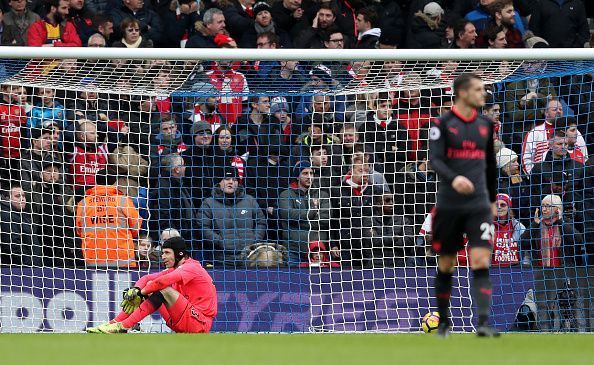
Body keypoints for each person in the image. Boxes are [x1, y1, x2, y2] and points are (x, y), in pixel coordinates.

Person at [428, 73, 499, 337]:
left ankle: (482, 323)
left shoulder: (485, 124)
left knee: (480, 259)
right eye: (479, 90)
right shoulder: (442, 124)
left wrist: (491, 199)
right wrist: (454, 178)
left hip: (479, 204)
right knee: (447, 263)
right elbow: (435, 160)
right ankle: (444, 322)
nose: (484, 94)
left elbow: (490, 165)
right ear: (463, 93)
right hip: (449, 205)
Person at [86, 237, 217, 333]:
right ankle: (113, 324)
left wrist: (140, 293)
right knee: (149, 287)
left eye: (167, 253)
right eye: (162, 253)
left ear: (180, 254)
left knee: (162, 289)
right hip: (181, 321)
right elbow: (147, 278)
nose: (163, 257)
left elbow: (161, 282)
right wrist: (136, 289)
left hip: (199, 323)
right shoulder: (176, 268)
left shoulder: (192, 267)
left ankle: (123, 326)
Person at [521, 194, 585, 331]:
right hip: (542, 271)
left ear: (557, 209)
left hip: (563, 272)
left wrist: (560, 221)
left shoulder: (565, 223)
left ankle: (560, 333)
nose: (544, 209)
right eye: (543, 206)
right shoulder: (537, 226)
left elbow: (577, 239)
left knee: (558, 306)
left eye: (548, 206)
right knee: (542, 305)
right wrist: (534, 223)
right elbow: (523, 242)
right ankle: (545, 334)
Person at [197, 166, 266, 266]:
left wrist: (254, 240)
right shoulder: (208, 203)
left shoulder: (249, 200)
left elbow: (261, 222)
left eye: (234, 179)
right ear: (219, 182)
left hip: (250, 257)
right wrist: (220, 242)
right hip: (222, 259)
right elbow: (202, 227)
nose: (231, 182)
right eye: (227, 179)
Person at [75, 175, 141, 267]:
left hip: (94, 261)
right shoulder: (123, 201)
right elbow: (136, 225)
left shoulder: (83, 203)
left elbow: (79, 230)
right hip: (123, 261)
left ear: (96, 182)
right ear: (115, 183)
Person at [277, 160, 331, 265]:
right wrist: (312, 213)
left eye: (311, 173)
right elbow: (287, 215)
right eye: (305, 173)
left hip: (317, 251)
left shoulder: (323, 195)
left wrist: (298, 222)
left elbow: (325, 220)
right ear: (297, 176)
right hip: (294, 251)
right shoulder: (286, 194)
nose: (309, 177)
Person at [0, 182, 43, 266]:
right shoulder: (7, 216)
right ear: (7, 198)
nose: (22, 199)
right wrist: (30, 264)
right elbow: (13, 245)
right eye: (17, 196)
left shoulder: (22, 215)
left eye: (23, 196)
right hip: (20, 271)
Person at [492, 193, 526, 266]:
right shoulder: (487, 227)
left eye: (503, 205)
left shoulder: (519, 227)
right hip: (494, 270)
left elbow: (526, 252)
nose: (499, 207)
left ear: (509, 207)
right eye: (496, 205)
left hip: (515, 270)